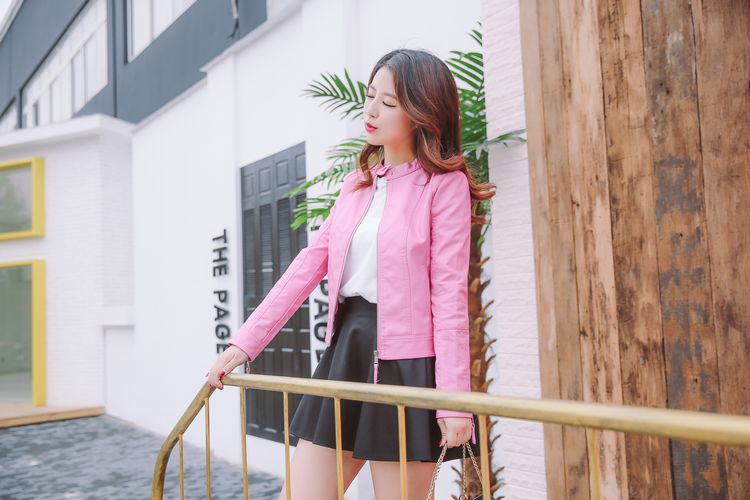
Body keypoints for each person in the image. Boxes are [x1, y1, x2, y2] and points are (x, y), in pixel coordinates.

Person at [206, 48, 495, 499]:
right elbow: (308, 264)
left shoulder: (445, 186)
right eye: (370, 95)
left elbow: (449, 297)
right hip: (347, 352)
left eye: (389, 101)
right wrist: (245, 343)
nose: (371, 110)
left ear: (422, 111)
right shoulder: (357, 185)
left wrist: (453, 401)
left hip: (409, 365)